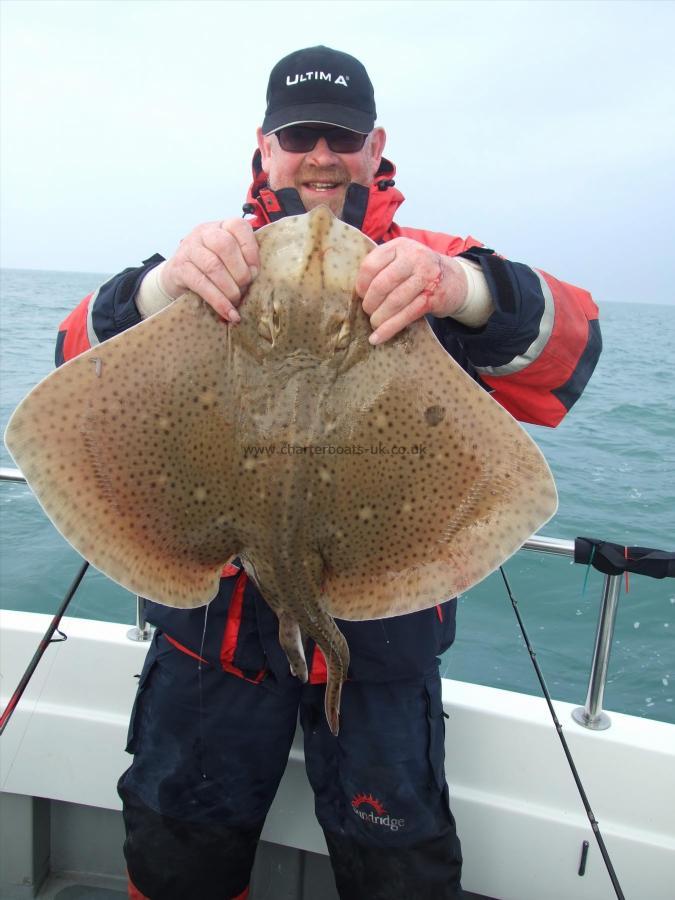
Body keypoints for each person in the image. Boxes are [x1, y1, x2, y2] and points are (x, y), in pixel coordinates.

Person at [56, 46, 601, 900]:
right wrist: (159, 291)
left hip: (383, 641)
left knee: (398, 871)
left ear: (375, 147)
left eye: (341, 137)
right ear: (264, 147)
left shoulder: (431, 263)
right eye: (300, 135)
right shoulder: (210, 263)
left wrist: (459, 289)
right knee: (177, 859)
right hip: (214, 647)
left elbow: (570, 352)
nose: (321, 155)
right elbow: (69, 364)